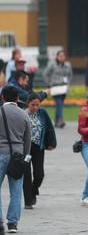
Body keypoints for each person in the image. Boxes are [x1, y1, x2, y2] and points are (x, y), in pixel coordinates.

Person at [0, 86, 32, 233]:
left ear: (3, 97)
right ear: (17, 98)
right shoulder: (24, 114)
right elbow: (28, 139)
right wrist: (26, 157)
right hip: (18, 155)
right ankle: (13, 223)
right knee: (16, 191)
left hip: (0, 154)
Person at [23, 93, 57, 210]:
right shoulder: (22, 114)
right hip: (25, 149)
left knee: (39, 174)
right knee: (26, 175)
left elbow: (49, 128)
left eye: (38, 105)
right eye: (33, 105)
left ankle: (34, 189)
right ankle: (28, 201)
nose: (35, 107)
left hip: (38, 147)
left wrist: (52, 143)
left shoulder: (42, 113)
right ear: (28, 103)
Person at [42, 50, 73, 128]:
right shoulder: (52, 65)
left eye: (63, 56)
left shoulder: (67, 65)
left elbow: (70, 75)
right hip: (55, 87)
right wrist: (48, 84)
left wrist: (68, 83)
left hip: (64, 87)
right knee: (59, 103)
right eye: (60, 56)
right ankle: (61, 120)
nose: (62, 57)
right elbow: (45, 74)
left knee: (60, 104)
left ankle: (56, 121)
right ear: (57, 57)